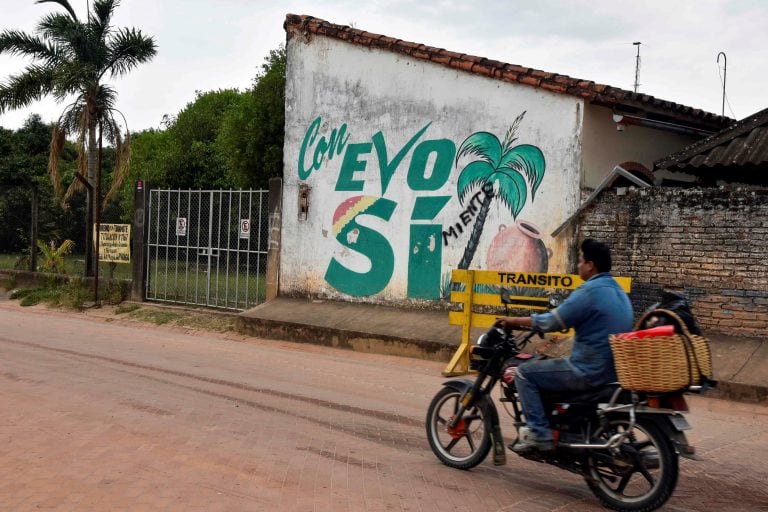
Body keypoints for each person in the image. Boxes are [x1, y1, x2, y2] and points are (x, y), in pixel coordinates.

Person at [496, 238, 633, 453]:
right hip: (613, 374)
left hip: (586, 371)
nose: (578, 265)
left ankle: (539, 435)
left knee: (524, 373)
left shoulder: (589, 291)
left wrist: (514, 322)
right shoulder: (619, 292)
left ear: (590, 265)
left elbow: (552, 321)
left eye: (580, 261)